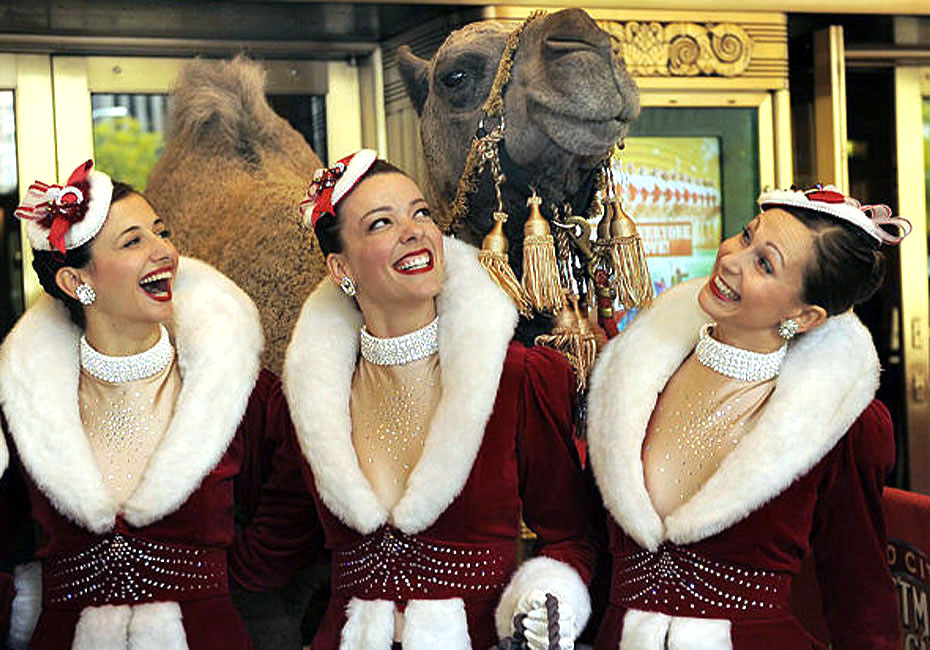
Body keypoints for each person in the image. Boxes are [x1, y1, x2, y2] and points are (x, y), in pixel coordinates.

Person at [283, 149, 599, 650]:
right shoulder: (312, 399)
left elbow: (572, 537)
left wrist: (546, 597)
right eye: (382, 222)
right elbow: (284, 536)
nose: (414, 231)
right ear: (341, 266)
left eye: (421, 213)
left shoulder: (517, 378)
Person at [0, 160, 316, 649]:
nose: (165, 251)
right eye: (133, 241)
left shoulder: (232, 387)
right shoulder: (27, 404)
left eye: (162, 232)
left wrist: (222, 577)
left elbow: (299, 490)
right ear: (75, 282)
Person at [586, 185, 909, 649]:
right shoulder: (633, 377)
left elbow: (859, 596)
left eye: (764, 264)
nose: (732, 259)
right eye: (745, 235)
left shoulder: (838, 426)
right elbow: (590, 547)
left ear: (805, 316)